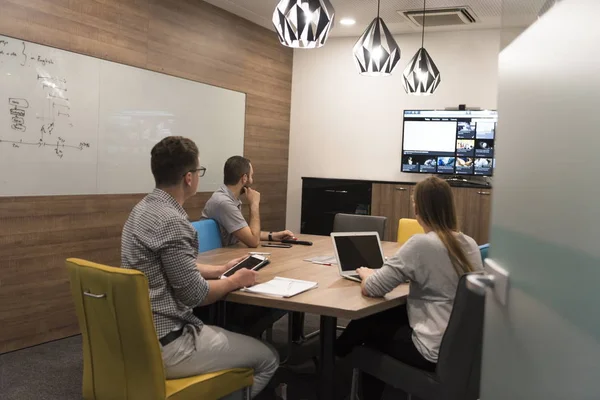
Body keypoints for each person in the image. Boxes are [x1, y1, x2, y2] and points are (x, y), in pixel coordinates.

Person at [121, 136, 278, 398]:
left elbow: (171, 264)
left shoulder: (141, 210)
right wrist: (235, 280)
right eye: (199, 171)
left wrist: (218, 270)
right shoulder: (173, 221)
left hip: (137, 335)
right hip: (169, 343)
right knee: (269, 357)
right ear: (189, 178)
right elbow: (196, 295)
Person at [335, 176, 484, 399]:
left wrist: (366, 273)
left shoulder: (421, 244)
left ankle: (334, 359)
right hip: (460, 348)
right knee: (384, 315)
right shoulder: (469, 243)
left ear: (419, 208)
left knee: (367, 325)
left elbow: (373, 288)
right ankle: (337, 353)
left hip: (430, 350)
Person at [202, 156, 294, 248]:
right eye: (251, 176)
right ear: (244, 178)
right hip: (214, 257)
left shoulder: (229, 198)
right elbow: (253, 241)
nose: (252, 180)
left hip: (223, 254)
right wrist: (254, 204)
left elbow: (245, 233)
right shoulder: (224, 202)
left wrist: (273, 236)